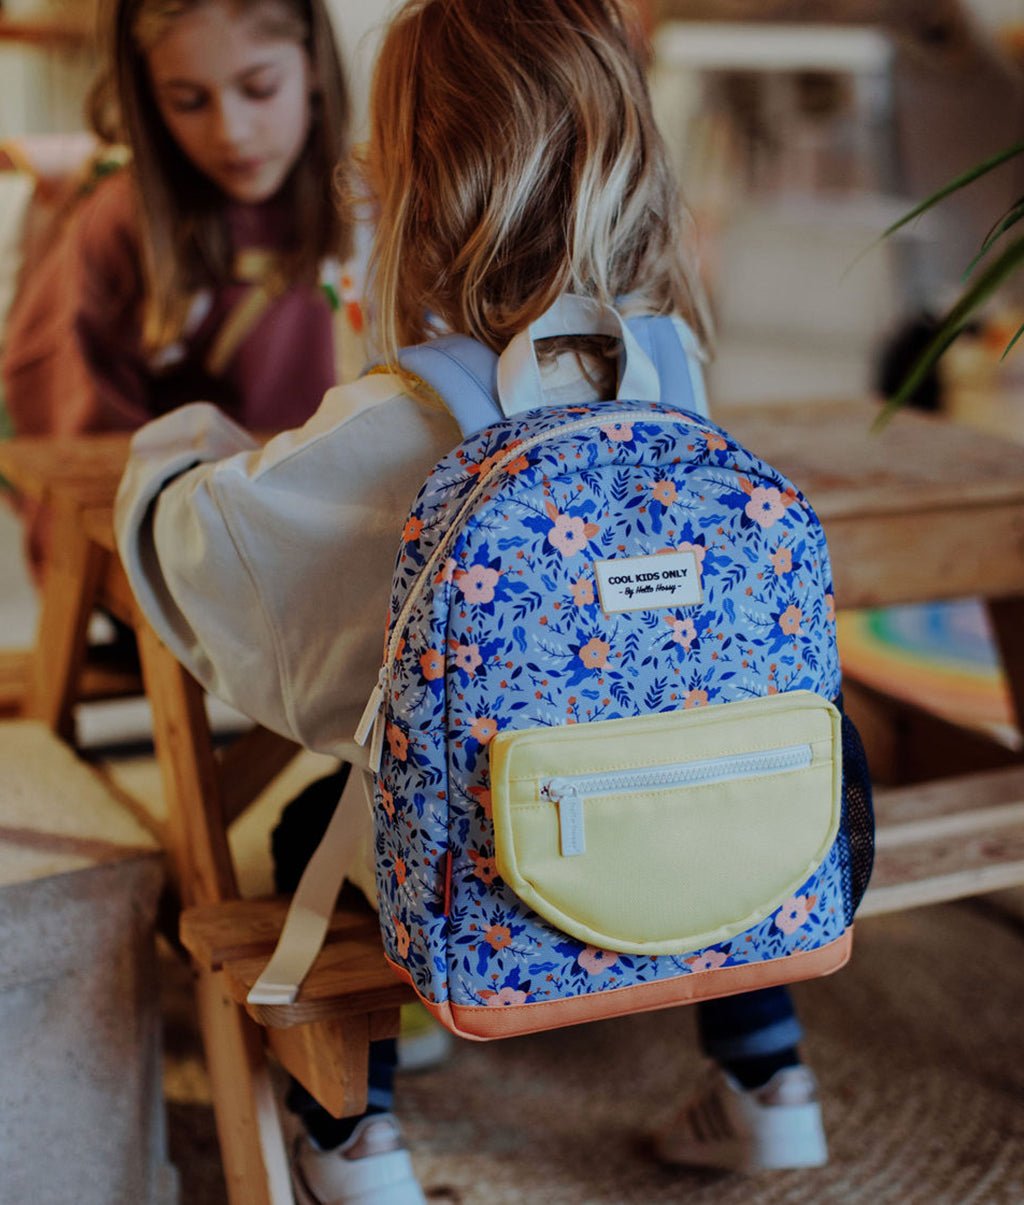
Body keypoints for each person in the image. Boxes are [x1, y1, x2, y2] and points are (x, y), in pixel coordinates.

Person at [114, 1, 829, 1199]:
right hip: (700, 827)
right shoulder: (669, 365)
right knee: (714, 776)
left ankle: (354, 1143)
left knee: (307, 827)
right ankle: (773, 1087)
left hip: (493, 867)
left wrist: (174, 455)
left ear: (397, 186)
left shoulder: (399, 413)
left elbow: (213, 555)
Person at [1, 0, 351, 571]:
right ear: (147, 96)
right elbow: (76, 465)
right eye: (188, 101)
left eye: (260, 88)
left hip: (339, 545)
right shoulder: (119, 226)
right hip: (184, 562)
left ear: (313, 63)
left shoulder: (373, 209)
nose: (231, 133)